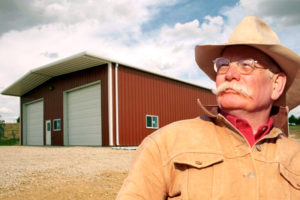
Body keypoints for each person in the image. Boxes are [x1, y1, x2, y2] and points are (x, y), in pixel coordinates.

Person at [116, 16, 300, 199]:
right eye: (223, 65)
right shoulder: (164, 144)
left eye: (246, 65)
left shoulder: (296, 155)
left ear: (276, 84)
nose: (229, 74)